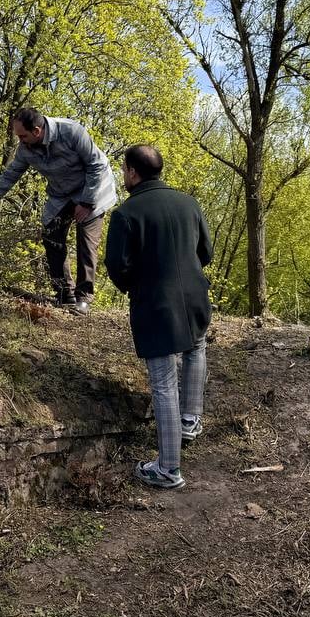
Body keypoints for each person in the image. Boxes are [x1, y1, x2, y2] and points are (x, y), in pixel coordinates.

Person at [104, 144, 213, 489]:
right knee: (196, 349)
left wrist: (138, 284)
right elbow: (206, 252)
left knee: (163, 382)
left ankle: (168, 468)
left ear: (133, 172)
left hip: (155, 304)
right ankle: (190, 421)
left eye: (124, 170)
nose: (123, 175)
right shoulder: (189, 202)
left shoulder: (126, 214)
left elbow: (117, 267)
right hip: (196, 297)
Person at [0, 107, 117, 315]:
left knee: (86, 241)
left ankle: (84, 299)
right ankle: (64, 293)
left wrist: (86, 203)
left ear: (37, 131)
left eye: (23, 136)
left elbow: (96, 166)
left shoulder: (72, 132)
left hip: (92, 189)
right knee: (51, 236)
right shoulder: (25, 150)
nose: (20, 141)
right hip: (61, 193)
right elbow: (9, 176)